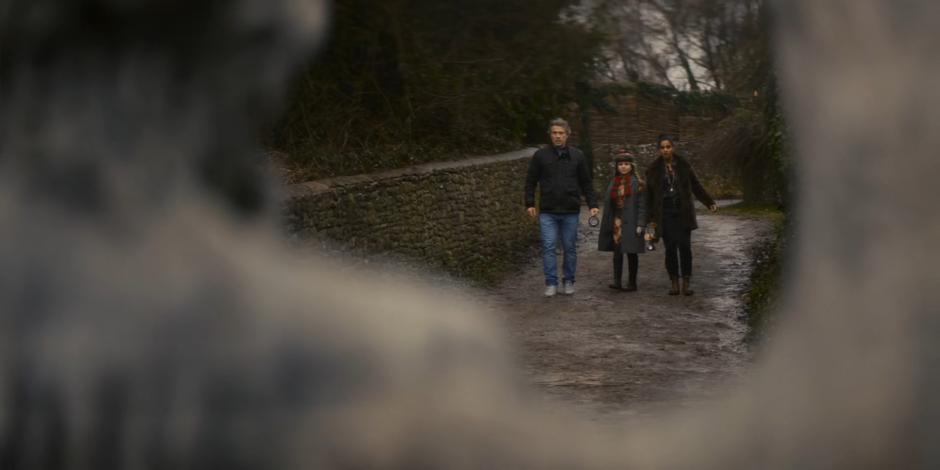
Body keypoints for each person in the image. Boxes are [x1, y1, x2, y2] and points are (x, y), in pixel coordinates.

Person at [524, 118, 599, 297]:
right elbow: (530, 181)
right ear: (550, 135)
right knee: (549, 246)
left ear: (567, 135)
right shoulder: (540, 155)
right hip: (548, 211)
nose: (557, 136)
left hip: (570, 211)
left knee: (570, 247)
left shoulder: (577, 156)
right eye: (554, 133)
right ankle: (551, 282)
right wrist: (529, 203)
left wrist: (593, 204)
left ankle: (568, 281)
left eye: (561, 133)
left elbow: (586, 182)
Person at [644, 134, 718, 296]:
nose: (665, 150)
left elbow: (696, 185)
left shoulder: (684, 165)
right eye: (662, 147)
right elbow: (649, 197)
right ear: (659, 150)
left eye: (668, 147)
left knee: (685, 246)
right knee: (670, 248)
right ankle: (674, 282)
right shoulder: (653, 170)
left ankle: (686, 281)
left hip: (683, 212)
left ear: (673, 148)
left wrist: (709, 202)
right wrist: (649, 222)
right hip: (665, 213)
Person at [597, 150, 646, 292]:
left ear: (631, 166)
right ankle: (617, 281)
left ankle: (632, 283)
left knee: (632, 252)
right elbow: (609, 204)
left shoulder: (638, 183)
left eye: (626, 164)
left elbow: (642, 206)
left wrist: (641, 224)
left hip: (632, 222)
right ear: (617, 166)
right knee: (617, 252)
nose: (623, 167)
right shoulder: (614, 182)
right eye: (620, 164)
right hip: (617, 222)